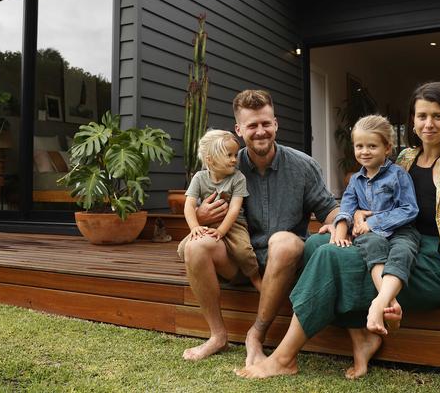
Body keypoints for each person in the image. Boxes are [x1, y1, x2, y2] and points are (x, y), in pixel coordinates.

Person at [236, 81, 440, 380]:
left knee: (332, 259)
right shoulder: (407, 158)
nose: (428, 124)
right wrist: (351, 217)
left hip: (437, 264)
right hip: (398, 244)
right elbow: (375, 195)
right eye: (422, 116)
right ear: (412, 120)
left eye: (437, 116)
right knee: (318, 245)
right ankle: (362, 338)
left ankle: (284, 358)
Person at [181, 89, 338, 362]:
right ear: (239, 129)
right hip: (240, 260)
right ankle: (218, 335)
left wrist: (342, 222)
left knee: (283, 241)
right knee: (196, 248)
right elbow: (196, 211)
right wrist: (202, 216)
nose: (260, 131)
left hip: (286, 261)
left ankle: (256, 334)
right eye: (252, 125)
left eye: (266, 123)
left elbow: (329, 210)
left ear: (276, 123)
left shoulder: (303, 166)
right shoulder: (224, 165)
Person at [331, 114, 419, 336]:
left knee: (403, 251)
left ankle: (378, 304)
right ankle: (390, 301)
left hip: (401, 230)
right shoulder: (354, 181)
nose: (364, 151)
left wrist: (373, 222)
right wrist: (341, 225)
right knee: (372, 246)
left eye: (372, 146)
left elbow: (409, 208)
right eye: (359, 146)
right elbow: (347, 207)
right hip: (370, 235)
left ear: (387, 148)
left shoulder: (398, 175)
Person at [178, 129, 262, 291]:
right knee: (183, 248)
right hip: (208, 224)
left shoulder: (238, 178)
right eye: (229, 155)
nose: (234, 160)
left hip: (234, 224)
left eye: (235, 155)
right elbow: (189, 205)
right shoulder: (199, 178)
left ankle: (255, 276)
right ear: (210, 160)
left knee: (243, 251)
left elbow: (234, 209)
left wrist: (222, 231)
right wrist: (195, 227)